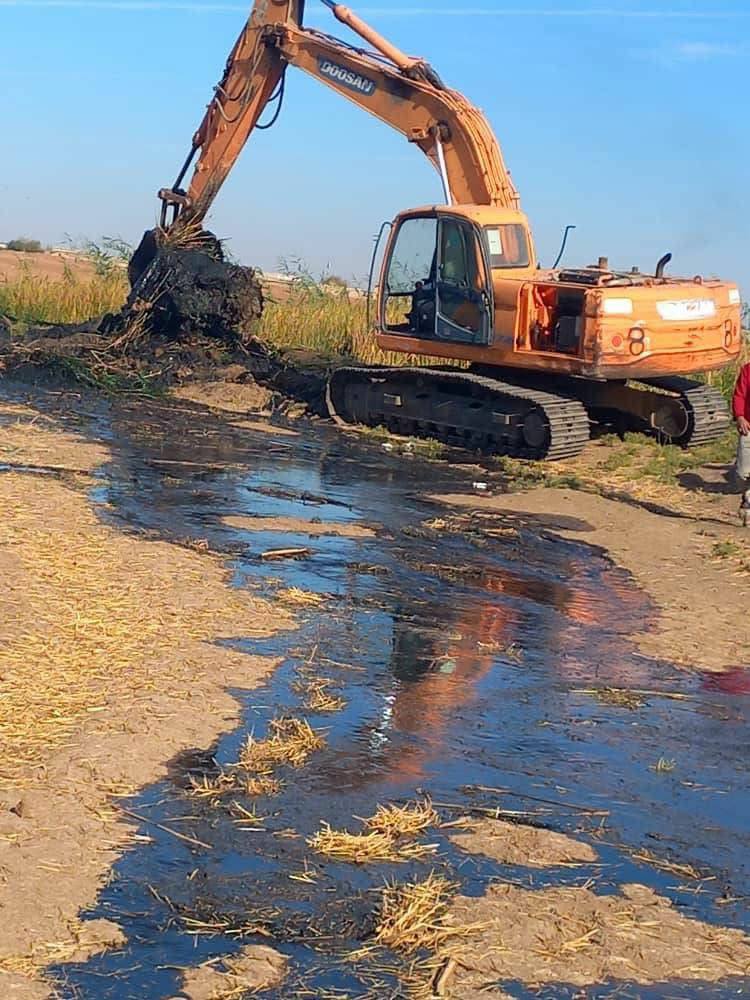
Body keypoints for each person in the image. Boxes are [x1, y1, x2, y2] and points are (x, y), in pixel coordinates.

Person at [732, 361, 750, 484]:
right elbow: (739, 395)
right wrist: (740, 417)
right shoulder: (747, 370)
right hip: (748, 424)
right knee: (744, 472)